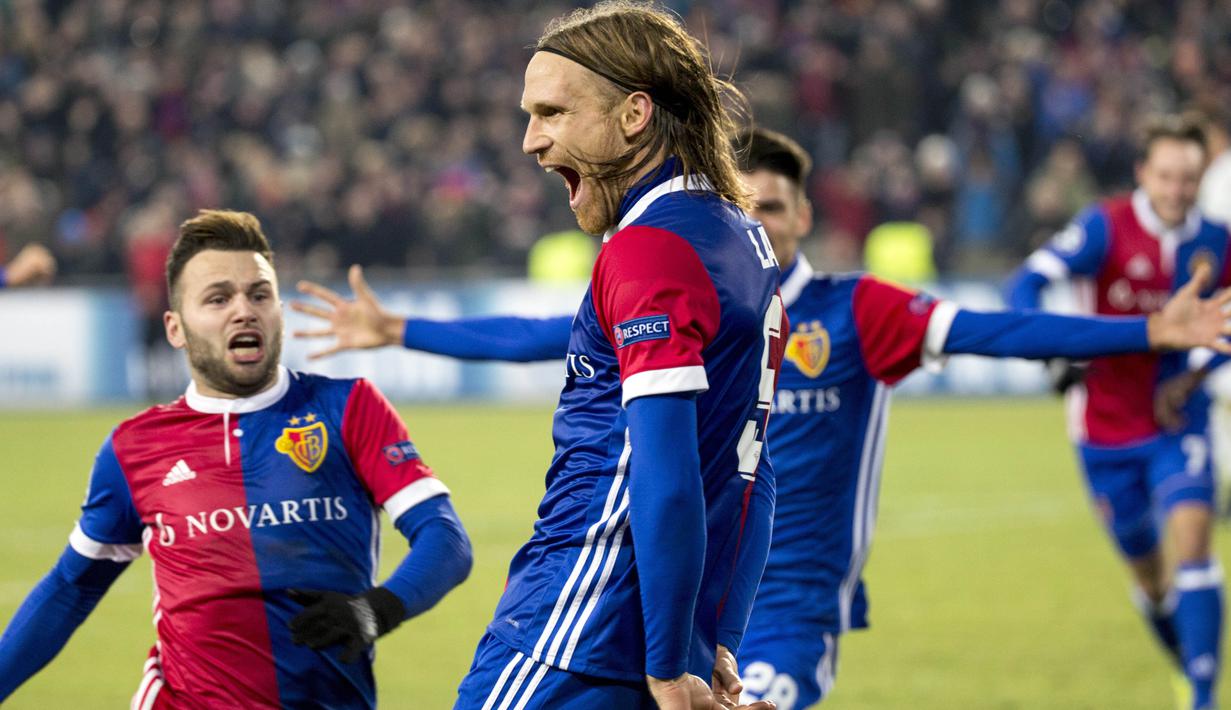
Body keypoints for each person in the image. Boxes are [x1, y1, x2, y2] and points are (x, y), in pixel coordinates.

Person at [296, 121, 1231, 709]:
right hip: (686, 596)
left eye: (773, 206)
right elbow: (536, 338)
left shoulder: (856, 310)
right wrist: (399, 328)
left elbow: (998, 326)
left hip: (788, 615)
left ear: (797, 217)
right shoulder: (694, 298)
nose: (757, 219)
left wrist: (1149, 330)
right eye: (744, 201)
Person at [0, 209, 473, 709]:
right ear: (176, 328)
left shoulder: (348, 408)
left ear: (279, 312)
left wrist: (378, 609)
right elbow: (70, 589)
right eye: (218, 298)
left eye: (259, 294)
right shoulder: (133, 448)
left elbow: (446, 540)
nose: (243, 311)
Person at [1005, 114, 1229, 710]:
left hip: (1179, 422)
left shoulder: (1218, 242)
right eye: (1166, 176)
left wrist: (1199, 376)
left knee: (1194, 540)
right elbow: (1026, 283)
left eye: (1188, 177)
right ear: (1143, 174)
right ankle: (1189, 662)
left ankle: (1204, 696)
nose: (1178, 190)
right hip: (1103, 429)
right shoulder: (1104, 228)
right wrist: (1053, 354)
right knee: (1153, 581)